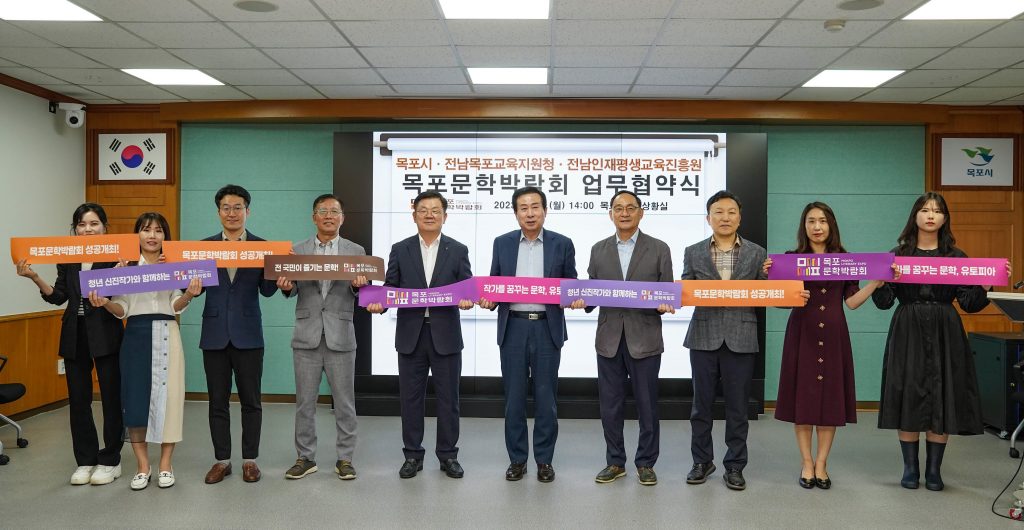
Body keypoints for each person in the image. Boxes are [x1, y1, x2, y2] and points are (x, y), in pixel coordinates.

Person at [872, 191, 1009, 491]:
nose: (931, 215)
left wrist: (986, 283)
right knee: (908, 393)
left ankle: (934, 471)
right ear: (915, 216)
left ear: (945, 218)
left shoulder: (956, 257)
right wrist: (880, 282)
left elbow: (969, 303)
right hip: (907, 327)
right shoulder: (898, 255)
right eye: (924, 210)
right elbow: (883, 302)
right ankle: (910, 469)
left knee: (941, 394)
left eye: (937, 210)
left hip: (945, 328)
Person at [765, 202, 882, 490]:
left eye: (822, 221)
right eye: (811, 221)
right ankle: (806, 462)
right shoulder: (791, 259)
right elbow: (778, 301)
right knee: (803, 401)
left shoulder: (846, 260)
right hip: (801, 334)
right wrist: (773, 278)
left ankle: (822, 463)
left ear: (831, 225)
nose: (817, 227)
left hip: (834, 336)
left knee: (830, 401)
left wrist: (875, 283)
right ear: (803, 226)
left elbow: (851, 302)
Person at [682, 190, 793, 491]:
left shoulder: (757, 253)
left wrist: (785, 288)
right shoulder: (693, 251)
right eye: (718, 212)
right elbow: (686, 289)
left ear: (740, 218)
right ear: (708, 218)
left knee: (738, 408)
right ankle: (702, 461)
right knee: (700, 407)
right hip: (703, 336)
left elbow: (769, 292)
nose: (725, 217)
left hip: (741, 337)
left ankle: (735, 466)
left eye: (731, 212)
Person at [88, 212, 201, 490]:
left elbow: (176, 305)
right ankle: (142, 466)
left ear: (165, 236)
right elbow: (122, 309)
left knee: (170, 399)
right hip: (135, 336)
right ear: (136, 234)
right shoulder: (125, 267)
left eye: (158, 230)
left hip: (168, 333)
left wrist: (189, 293)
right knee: (135, 398)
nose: (152, 235)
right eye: (146, 229)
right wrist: (104, 302)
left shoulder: (174, 265)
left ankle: (165, 464)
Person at [15, 203, 125, 486]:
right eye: (81, 224)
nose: (87, 229)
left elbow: (121, 296)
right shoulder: (68, 256)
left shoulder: (118, 255)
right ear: (75, 229)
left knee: (111, 398)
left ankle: (111, 460)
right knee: (78, 401)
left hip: (106, 333)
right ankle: (85, 460)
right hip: (74, 333)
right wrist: (34, 277)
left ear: (105, 227)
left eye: (94, 224)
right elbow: (58, 296)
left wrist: (120, 273)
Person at [367, 191, 474, 479]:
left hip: (446, 335)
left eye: (435, 210)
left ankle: (448, 455)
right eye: (423, 210)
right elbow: (391, 287)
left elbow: (467, 286)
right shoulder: (400, 249)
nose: (429, 215)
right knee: (410, 398)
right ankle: (412, 455)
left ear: (445, 216)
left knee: (449, 399)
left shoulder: (458, 249)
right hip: (410, 335)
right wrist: (378, 304)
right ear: (414, 215)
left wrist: (468, 298)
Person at [571, 190, 674, 486]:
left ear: (641, 212)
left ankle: (646, 463)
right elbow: (592, 291)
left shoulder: (659, 248)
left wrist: (666, 303)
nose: (625, 213)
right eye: (618, 208)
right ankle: (615, 461)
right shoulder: (598, 249)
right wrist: (581, 300)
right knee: (610, 405)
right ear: (611, 214)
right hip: (609, 339)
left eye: (631, 208)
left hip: (645, 337)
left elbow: (667, 291)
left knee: (647, 405)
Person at [478, 186, 577, 483]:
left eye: (535, 207)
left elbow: (571, 284)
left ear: (545, 210)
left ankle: (544, 460)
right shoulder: (502, 243)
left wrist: (574, 297)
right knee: (514, 399)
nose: (530, 213)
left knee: (546, 398)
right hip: (514, 327)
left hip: (547, 327)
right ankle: (517, 460)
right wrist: (489, 299)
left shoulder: (563, 243)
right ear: (515, 213)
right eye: (524, 208)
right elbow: (494, 283)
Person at [276, 194, 368, 481]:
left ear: (342, 218)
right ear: (313, 217)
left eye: (334, 211)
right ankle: (305, 457)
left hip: (341, 334)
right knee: (305, 402)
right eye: (322, 211)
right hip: (307, 335)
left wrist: (359, 286)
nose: (329, 216)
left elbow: (361, 292)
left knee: (345, 402)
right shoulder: (296, 250)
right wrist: (285, 286)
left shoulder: (356, 251)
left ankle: (345, 458)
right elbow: (291, 289)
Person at [196, 184, 278, 484]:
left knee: (251, 401)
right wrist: (183, 277)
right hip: (214, 333)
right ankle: (221, 461)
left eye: (238, 207)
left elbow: (267, 291)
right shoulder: (202, 247)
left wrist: (281, 273)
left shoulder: (263, 247)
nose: (232, 213)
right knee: (217, 401)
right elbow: (192, 288)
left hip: (249, 334)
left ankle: (249, 460)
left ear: (247, 211)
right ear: (219, 212)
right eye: (226, 208)